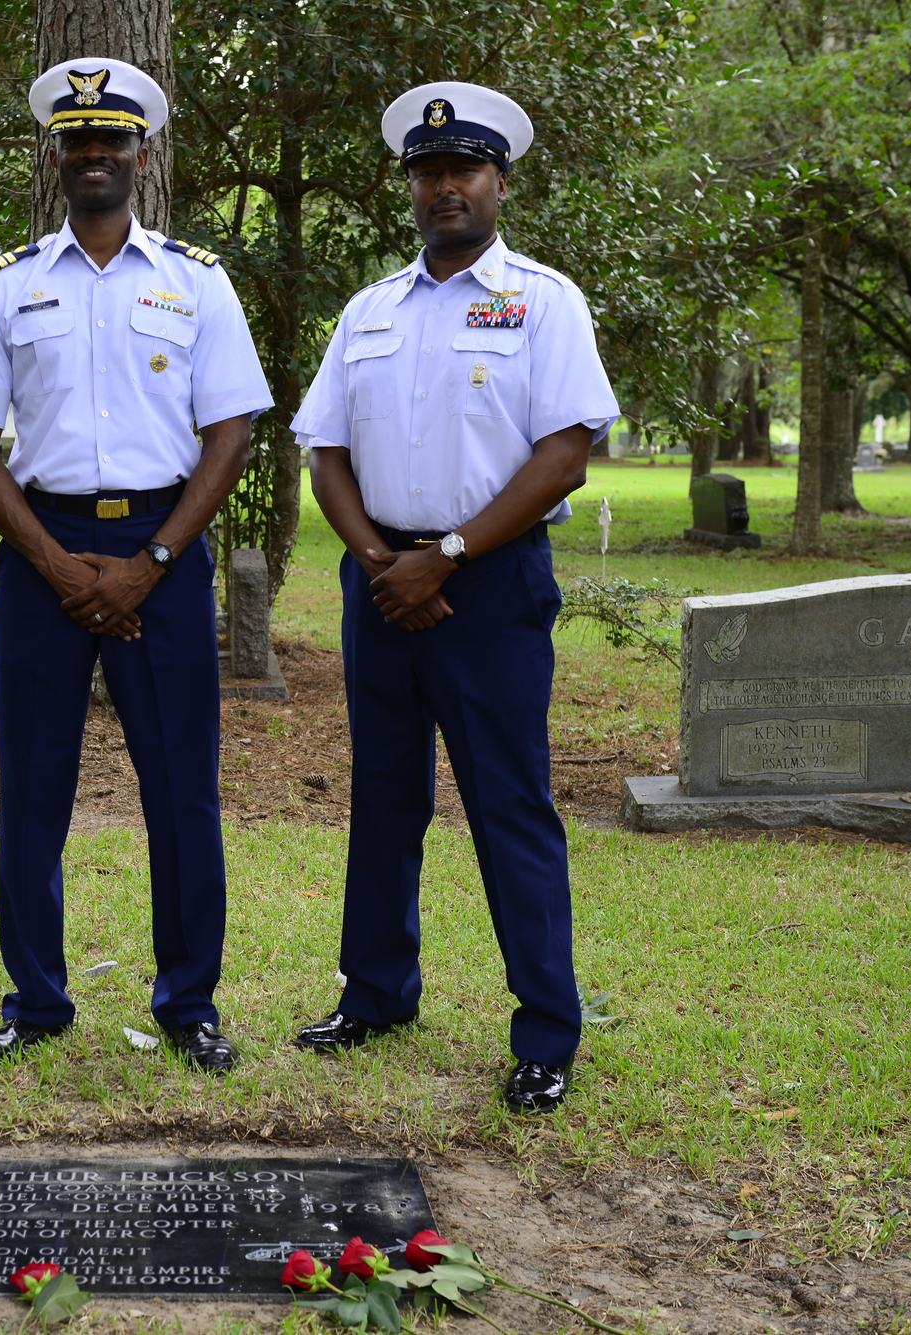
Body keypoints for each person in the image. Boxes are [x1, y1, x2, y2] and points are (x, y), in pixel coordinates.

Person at [288, 84, 619, 1113]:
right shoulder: (369, 310)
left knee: (507, 805)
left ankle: (544, 1033)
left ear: (497, 183)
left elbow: (563, 455)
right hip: (380, 581)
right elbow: (325, 450)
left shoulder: (544, 301)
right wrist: (383, 563)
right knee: (383, 798)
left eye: (462, 171)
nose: (444, 188)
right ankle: (377, 995)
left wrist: (450, 554)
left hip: (488, 586)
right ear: (413, 189)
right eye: (428, 174)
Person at [0, 58, 273, 1074]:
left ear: (139, 153)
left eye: (111, 140)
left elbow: (230, 432)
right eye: (77, 140)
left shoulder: (195, 281)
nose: (94, 154)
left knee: (181, 794)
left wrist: (151, 562)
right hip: (38, 550)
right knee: (31, 791)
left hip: (161, 557)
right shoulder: (5, 287)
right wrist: (52, 565)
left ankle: (189, 1004)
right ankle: (34, 1002)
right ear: (56, 155)